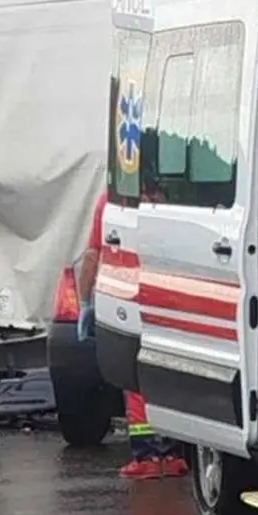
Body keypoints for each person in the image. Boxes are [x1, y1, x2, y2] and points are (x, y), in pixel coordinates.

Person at [77, 190, 187, 480]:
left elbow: (93, 254)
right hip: (169, 296)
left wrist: (85, 302)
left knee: (135, 377)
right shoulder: (174, 196)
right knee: (167, 373)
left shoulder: (111, 199)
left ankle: (149, 456)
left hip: (128, 298)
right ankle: (173, 454)